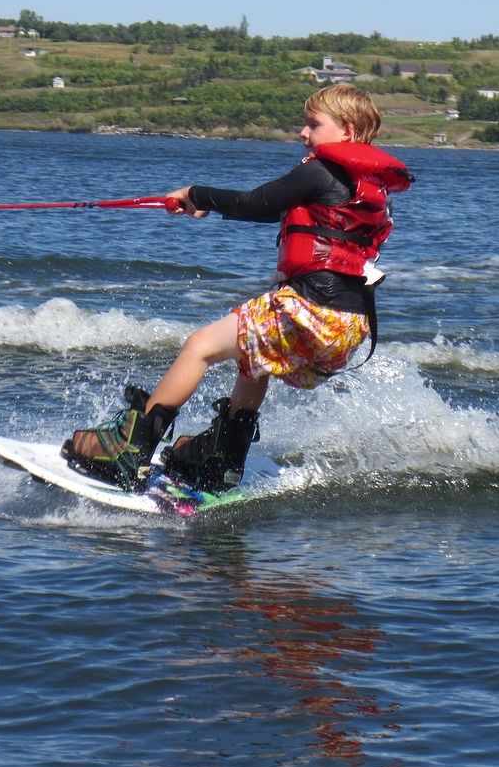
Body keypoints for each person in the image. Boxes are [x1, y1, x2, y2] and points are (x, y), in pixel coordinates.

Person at [61, 83, 413, 493]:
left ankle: (130, 448)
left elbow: (255, 202)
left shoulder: (319, 171)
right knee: (255, 360)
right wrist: (208, 204)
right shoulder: (367, 185)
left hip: (310, 308)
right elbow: (278, 210)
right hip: (348, 324)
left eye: (313, 124)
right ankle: (221, 460)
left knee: (200, 346)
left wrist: (194, 193)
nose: (302, 132)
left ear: (347, 130)